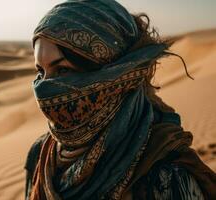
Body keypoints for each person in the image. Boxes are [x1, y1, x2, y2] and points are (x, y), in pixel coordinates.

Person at [24, 0, 216, 200]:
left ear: (118, 74)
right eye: (41, 71)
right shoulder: (40, 156)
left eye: (63, 70)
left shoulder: (166, 178)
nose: (44, 88)